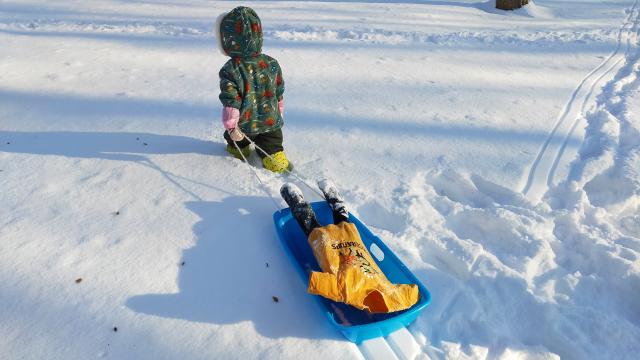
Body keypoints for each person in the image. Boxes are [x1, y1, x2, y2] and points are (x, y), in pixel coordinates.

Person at [280, 180, 420, 313]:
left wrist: (416, 295)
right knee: (311, 224)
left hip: (343, 243)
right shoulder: (349, 293)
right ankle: (297, 198)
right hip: (330, 244)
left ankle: (325, 197)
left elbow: (409, 295)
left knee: (340, 220)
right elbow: (315, 280)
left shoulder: (386, 291)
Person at [216, 6, 290, 173]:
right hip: (271, 122)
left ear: (228, 40)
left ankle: (238, 149)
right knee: (273, 145)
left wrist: (231, 127)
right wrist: (279, 112)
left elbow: (231, 100)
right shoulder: (271, 63)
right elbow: (279, 91)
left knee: (236, 141)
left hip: (244, 125)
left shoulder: (230, 69)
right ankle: (276, 159)